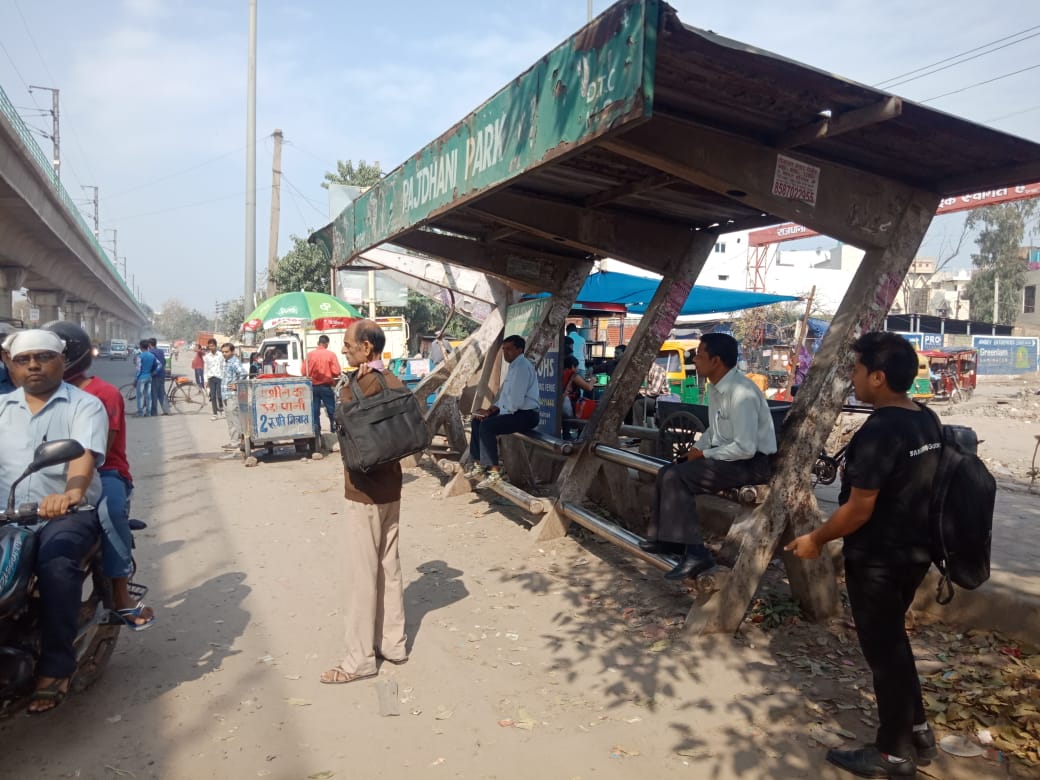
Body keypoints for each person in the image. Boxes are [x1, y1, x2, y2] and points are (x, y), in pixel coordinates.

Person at [786, 332, 941, 778]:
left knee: (883, 652)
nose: (852, 378)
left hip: (879, 558)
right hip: (916, 552)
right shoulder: (925, 419)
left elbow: (858, 509)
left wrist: (816, 540)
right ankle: (919, 729)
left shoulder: (881, 429)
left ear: (878, 377)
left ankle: (892, 753)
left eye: (856, 370)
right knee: (895, 641)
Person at [0, 329, 108, 714]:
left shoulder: (84, 405)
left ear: (64, 360)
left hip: (63, 515)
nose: (33, 365)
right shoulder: (1, 409)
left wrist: (71, 494)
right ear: (8, 364)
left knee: (57, 567)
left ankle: (56, 667)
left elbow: (83, 456)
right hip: (7, 517)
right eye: (23, 359)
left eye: (43, 357)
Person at [43, 322, 155, 632]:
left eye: (47, 356)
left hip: (105, 471)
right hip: (49, 471)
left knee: (108, 510)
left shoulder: (103, 393)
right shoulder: (33, 395)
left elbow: (98, 450)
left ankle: (121, 593)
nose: (38, 365)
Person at [640, 333, 777, 579]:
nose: (695, 359)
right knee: (666, 471)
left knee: (678, 478)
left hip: (752, 464)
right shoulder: (716, 387)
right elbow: (714, 429)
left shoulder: (741, 392)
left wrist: (704, 453)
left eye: (700, 355)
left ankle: (696, 554)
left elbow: (745, 447)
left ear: (716, 360)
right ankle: (668, 540)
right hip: (730, 458)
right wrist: (696, 450)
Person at [320, 319, 408, 685]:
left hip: (364, 491)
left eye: (348, 345)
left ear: (367, 348)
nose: (344, 350)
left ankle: (358, 660)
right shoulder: (393, 380)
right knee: (390, 566)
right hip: (391, 488)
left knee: (362, 574)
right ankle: (394, 644)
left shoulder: (359, 386)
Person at [466, 334, 540, 488]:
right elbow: (505, 397)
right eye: (504, 350)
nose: (506, 353)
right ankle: (479, 465)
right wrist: (490, 410)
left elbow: (515, 403)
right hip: (514, 412)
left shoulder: (522, 367)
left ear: (519, 350)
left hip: (526, 416)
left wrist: (493, 416)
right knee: (477, 420)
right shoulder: (513, 366)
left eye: (509, 349)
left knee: (487, 426)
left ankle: (494, 472)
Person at [303, 334, 341, 438]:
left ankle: (317, 433)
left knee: (315, 411)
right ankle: (334, 432)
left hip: (313, 387)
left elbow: (303, 372)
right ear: (326, 344)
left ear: (318, 343)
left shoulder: (309, 355)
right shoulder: (331, 355)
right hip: (326, 386)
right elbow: (337, 371)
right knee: (331, 410)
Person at [220, 343, 248, 451]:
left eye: (226, 352)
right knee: (230, 419)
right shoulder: (226, 362)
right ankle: (233, 442)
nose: (224, 354)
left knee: (235, 419)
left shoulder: (234, 361)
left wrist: (236, 384)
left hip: (232, 395)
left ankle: (241, 441)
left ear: (232, 351)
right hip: (225, 394)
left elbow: (243, 373)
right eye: (223, 352)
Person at [633, 356, 669, 426]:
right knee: (632, 399)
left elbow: (655, 391)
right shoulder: (648, 369)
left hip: (661, 400)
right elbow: (647, 387)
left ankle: (637, 429)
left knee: (638, 403)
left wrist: (639, 392)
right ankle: (629, 426)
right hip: (653, 397)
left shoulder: (658, 370)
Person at [561, 355, 593, 419]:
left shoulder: (560, 373)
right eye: (577, 366)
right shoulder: (573, 375)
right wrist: (593, 380)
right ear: (573, 366)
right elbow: (588, 388)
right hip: (567, 406)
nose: (578, 369)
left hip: (559, 406)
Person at [134, 339, 159, 417]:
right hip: (149, 377)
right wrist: (154, 372)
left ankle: (140, 413)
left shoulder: (140, 356)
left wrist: (135, 379)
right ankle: (148, 413)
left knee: (140, 396)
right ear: (148, 347)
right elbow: (159, 365)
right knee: (148, 396)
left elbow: (138, 369)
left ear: (141, 347)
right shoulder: (152, 356)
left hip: (141, 378)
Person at [203, 338, 224, 419]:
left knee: (219, 395)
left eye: (212, 346)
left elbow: (224, 366)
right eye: (210, 346)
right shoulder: (207, 356)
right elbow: (205, 369)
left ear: (215, 346)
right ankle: (215, 413)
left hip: (219, 377)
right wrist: (205, 380)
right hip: (211, 377)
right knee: (212, 396)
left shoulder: (221, 355)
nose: (211, 347)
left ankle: (221, 408)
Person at [148, 338, 170, 416]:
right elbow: (163, 361)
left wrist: (151, 372)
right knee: (162, 393)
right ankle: (166, 410)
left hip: (155, 375)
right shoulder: (161, 351)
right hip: (162, 374)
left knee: (154, 393)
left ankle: (154, 412)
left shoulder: (150, 352)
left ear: (150, 344)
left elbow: (151, 364)